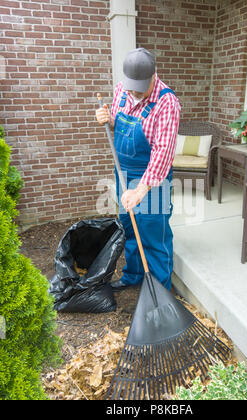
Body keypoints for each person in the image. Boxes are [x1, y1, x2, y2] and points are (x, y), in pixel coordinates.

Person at [96, 48, 181, 291]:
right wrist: (107, 119)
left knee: (154, 233)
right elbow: (117, 122)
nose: (133, 92)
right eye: (130, 87)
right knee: (129, 226)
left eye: (138, 88)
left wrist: (140, 191)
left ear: (154, 76)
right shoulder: (122, 89)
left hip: (153, 177)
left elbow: (163, 153)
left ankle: (160, 288)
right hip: (123, 172)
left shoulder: (167, 103)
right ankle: (133, 276)